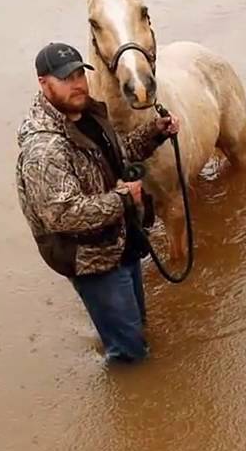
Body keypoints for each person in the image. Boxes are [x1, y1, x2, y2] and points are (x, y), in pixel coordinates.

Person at [14, 42, 180, 363]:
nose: (76, 83)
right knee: (129, 353)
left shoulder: (88, 113)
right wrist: (123, 199)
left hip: (121, 240)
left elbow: (118, 155)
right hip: (93, 259)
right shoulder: (44, 148)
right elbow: (63, 215)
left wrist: (154, 133)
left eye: (79, 74)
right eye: (65, 78)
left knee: (136, 326)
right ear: (43, 83)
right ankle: (130, 394)